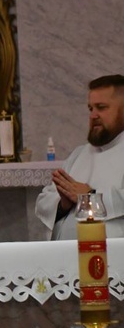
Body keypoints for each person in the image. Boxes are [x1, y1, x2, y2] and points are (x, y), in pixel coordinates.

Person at [35, 74, 124, 240]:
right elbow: (45, 199)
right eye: (91, 108)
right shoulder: (79, 154)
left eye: (101, 107)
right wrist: (62, 205)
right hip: (65, 257)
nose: (93, 115)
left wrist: (91, 197)